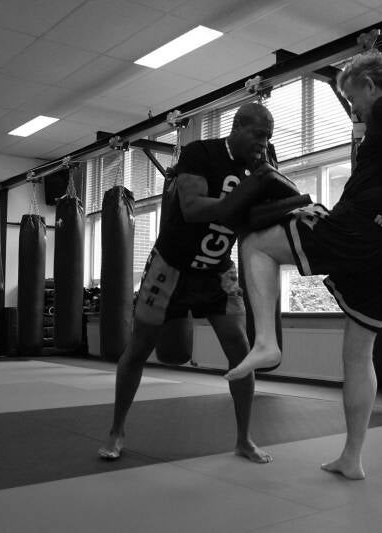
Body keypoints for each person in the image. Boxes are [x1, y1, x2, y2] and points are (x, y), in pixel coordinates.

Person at [223, 51, 382, 480]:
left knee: (257, 244)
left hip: (361, 228)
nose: (354, 109)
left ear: (369, 85)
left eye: (352, 98)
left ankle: (265, 341)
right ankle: (352, 457)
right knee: (358, 356)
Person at [99, 102, 293, 463]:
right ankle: (117, 429)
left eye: (268, 136)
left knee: (241, 350)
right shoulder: (201, 152)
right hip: (170, 267)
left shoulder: (264, 163)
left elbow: (274, 210)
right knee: (139, 347)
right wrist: (251, 187)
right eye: (257, 134)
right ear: (236, 128)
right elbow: (192, 208)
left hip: (216, 270)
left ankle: (244, 440)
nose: (263, 143)